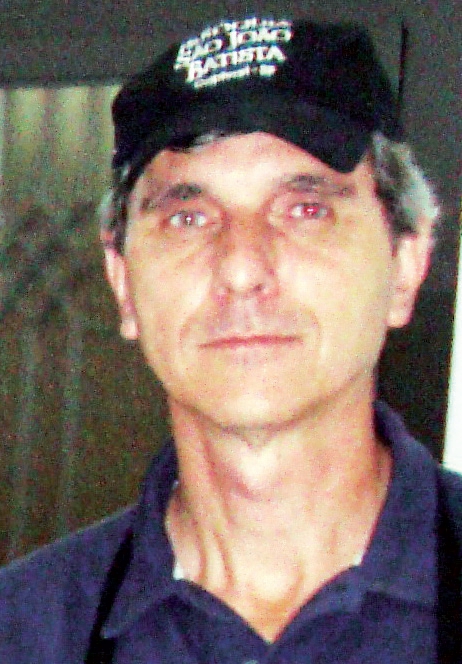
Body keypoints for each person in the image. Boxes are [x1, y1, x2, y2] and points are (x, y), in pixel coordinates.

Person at [1, 16, 461, 663]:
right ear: (123, 281)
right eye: (189, 217)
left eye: (305, 209)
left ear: (406, 265)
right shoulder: (24, 630)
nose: (242, 268)